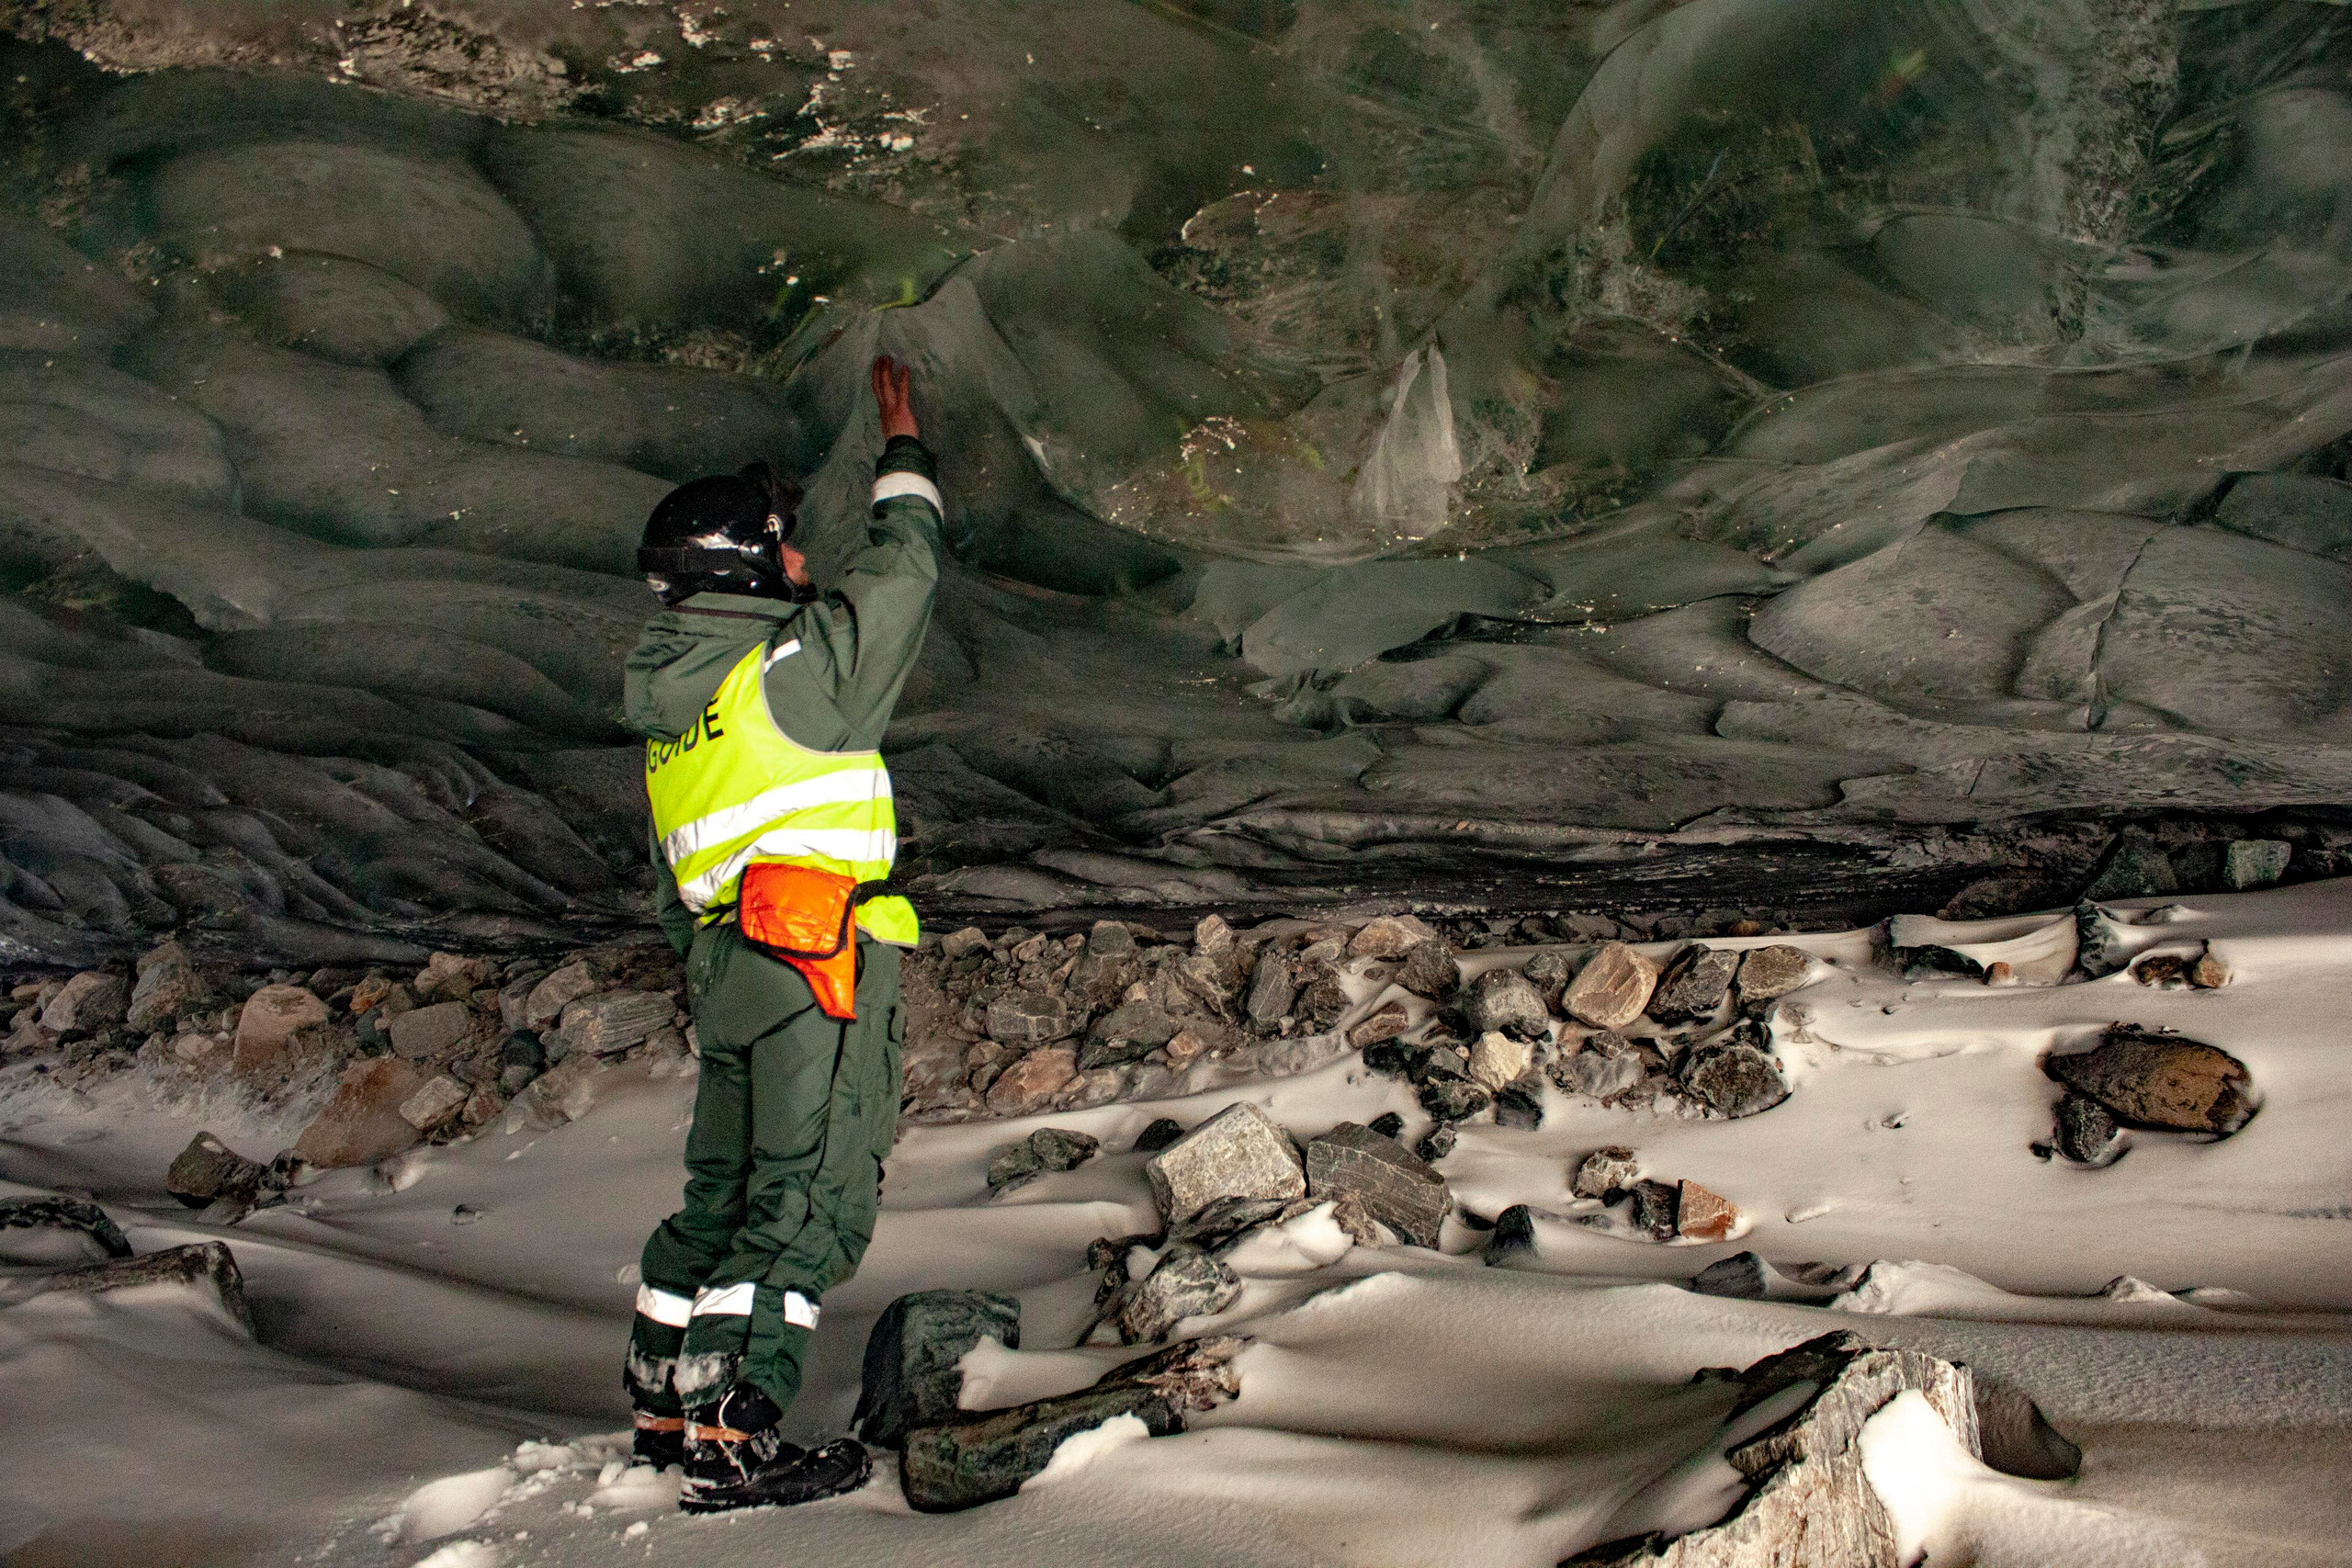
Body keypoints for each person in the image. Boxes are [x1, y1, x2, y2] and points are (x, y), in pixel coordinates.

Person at [619, 355, 944, 1514]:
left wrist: (728, 967)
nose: (800, 558)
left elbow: (672, 891)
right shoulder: (783, 675)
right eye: (783, 541)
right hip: (814, 964)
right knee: (805, 1203)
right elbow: (901, 579)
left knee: (724, 1197)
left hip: (728, 971)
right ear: (742, 562)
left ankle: (669, 1409)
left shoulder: (676, 720)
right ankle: (739, 1434)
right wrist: (905, 448)